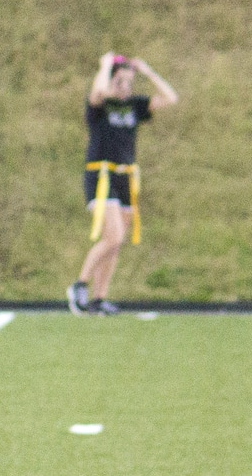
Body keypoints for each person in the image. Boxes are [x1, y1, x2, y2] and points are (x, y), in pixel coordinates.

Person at [68, 51, 178, 317]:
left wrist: (148, 71)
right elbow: (98, 93)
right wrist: (105, 66)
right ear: (110, 81)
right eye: (120, 82)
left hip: (125, 177)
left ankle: (100, 298)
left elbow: (170, 98)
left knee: (116, 243)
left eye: (129, 83)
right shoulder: (100, 106)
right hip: (101, 175)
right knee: (113, 235)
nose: (125, 88)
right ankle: (79, 285)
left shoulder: (134, 106)